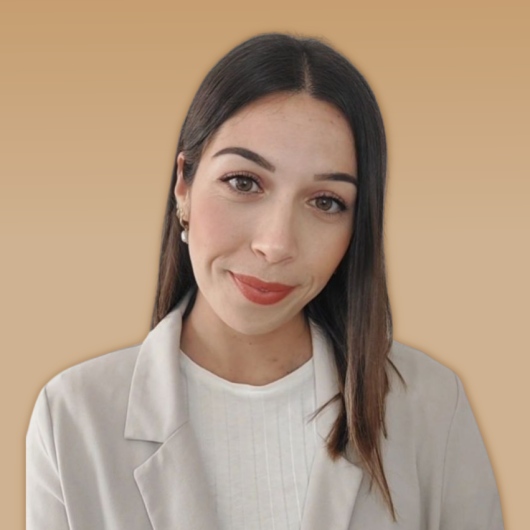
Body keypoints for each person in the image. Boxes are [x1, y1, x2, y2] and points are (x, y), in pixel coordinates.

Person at [26, 32, 504, 530]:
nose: (276, 244)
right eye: (244, 183)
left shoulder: (430, 404)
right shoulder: (73, 416)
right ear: (184, 185)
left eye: (326, 202)